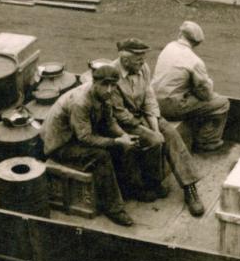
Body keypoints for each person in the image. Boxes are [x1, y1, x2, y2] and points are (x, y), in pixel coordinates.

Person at [110, 38, 206, 216]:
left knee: (170, 133)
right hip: (124, 122)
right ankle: (152, 184)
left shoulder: (142, 68)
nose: (143, 62)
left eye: (143, 57)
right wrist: (148, 131)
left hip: (144, 114)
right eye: (138, 58)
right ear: (125, 60)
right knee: (154, 141)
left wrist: (154, 125)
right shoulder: (112, 75)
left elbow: (149, 97)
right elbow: (119, 113)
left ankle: (189, 187)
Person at [40, 65, 139, 227]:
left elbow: (109, 122)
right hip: (60, 145)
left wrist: (124, 136)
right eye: (105, 85)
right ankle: (113, 208)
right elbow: (85, 137)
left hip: (76, 136)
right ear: (95, 83)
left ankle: (128, 189)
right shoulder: (81, 102)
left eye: (113, 85)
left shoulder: (105, 96)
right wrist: (115, 142)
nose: (109, 89)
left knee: (124, 146)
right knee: (102, 156)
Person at [151, 21, 229, 153]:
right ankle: (207, 141)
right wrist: (208, 82)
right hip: (172, 107)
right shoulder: (195, 61)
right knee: (222, 103)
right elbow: (206, 95)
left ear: (180, 34)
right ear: (196, 42)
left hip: (152, 102)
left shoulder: (168, 47)